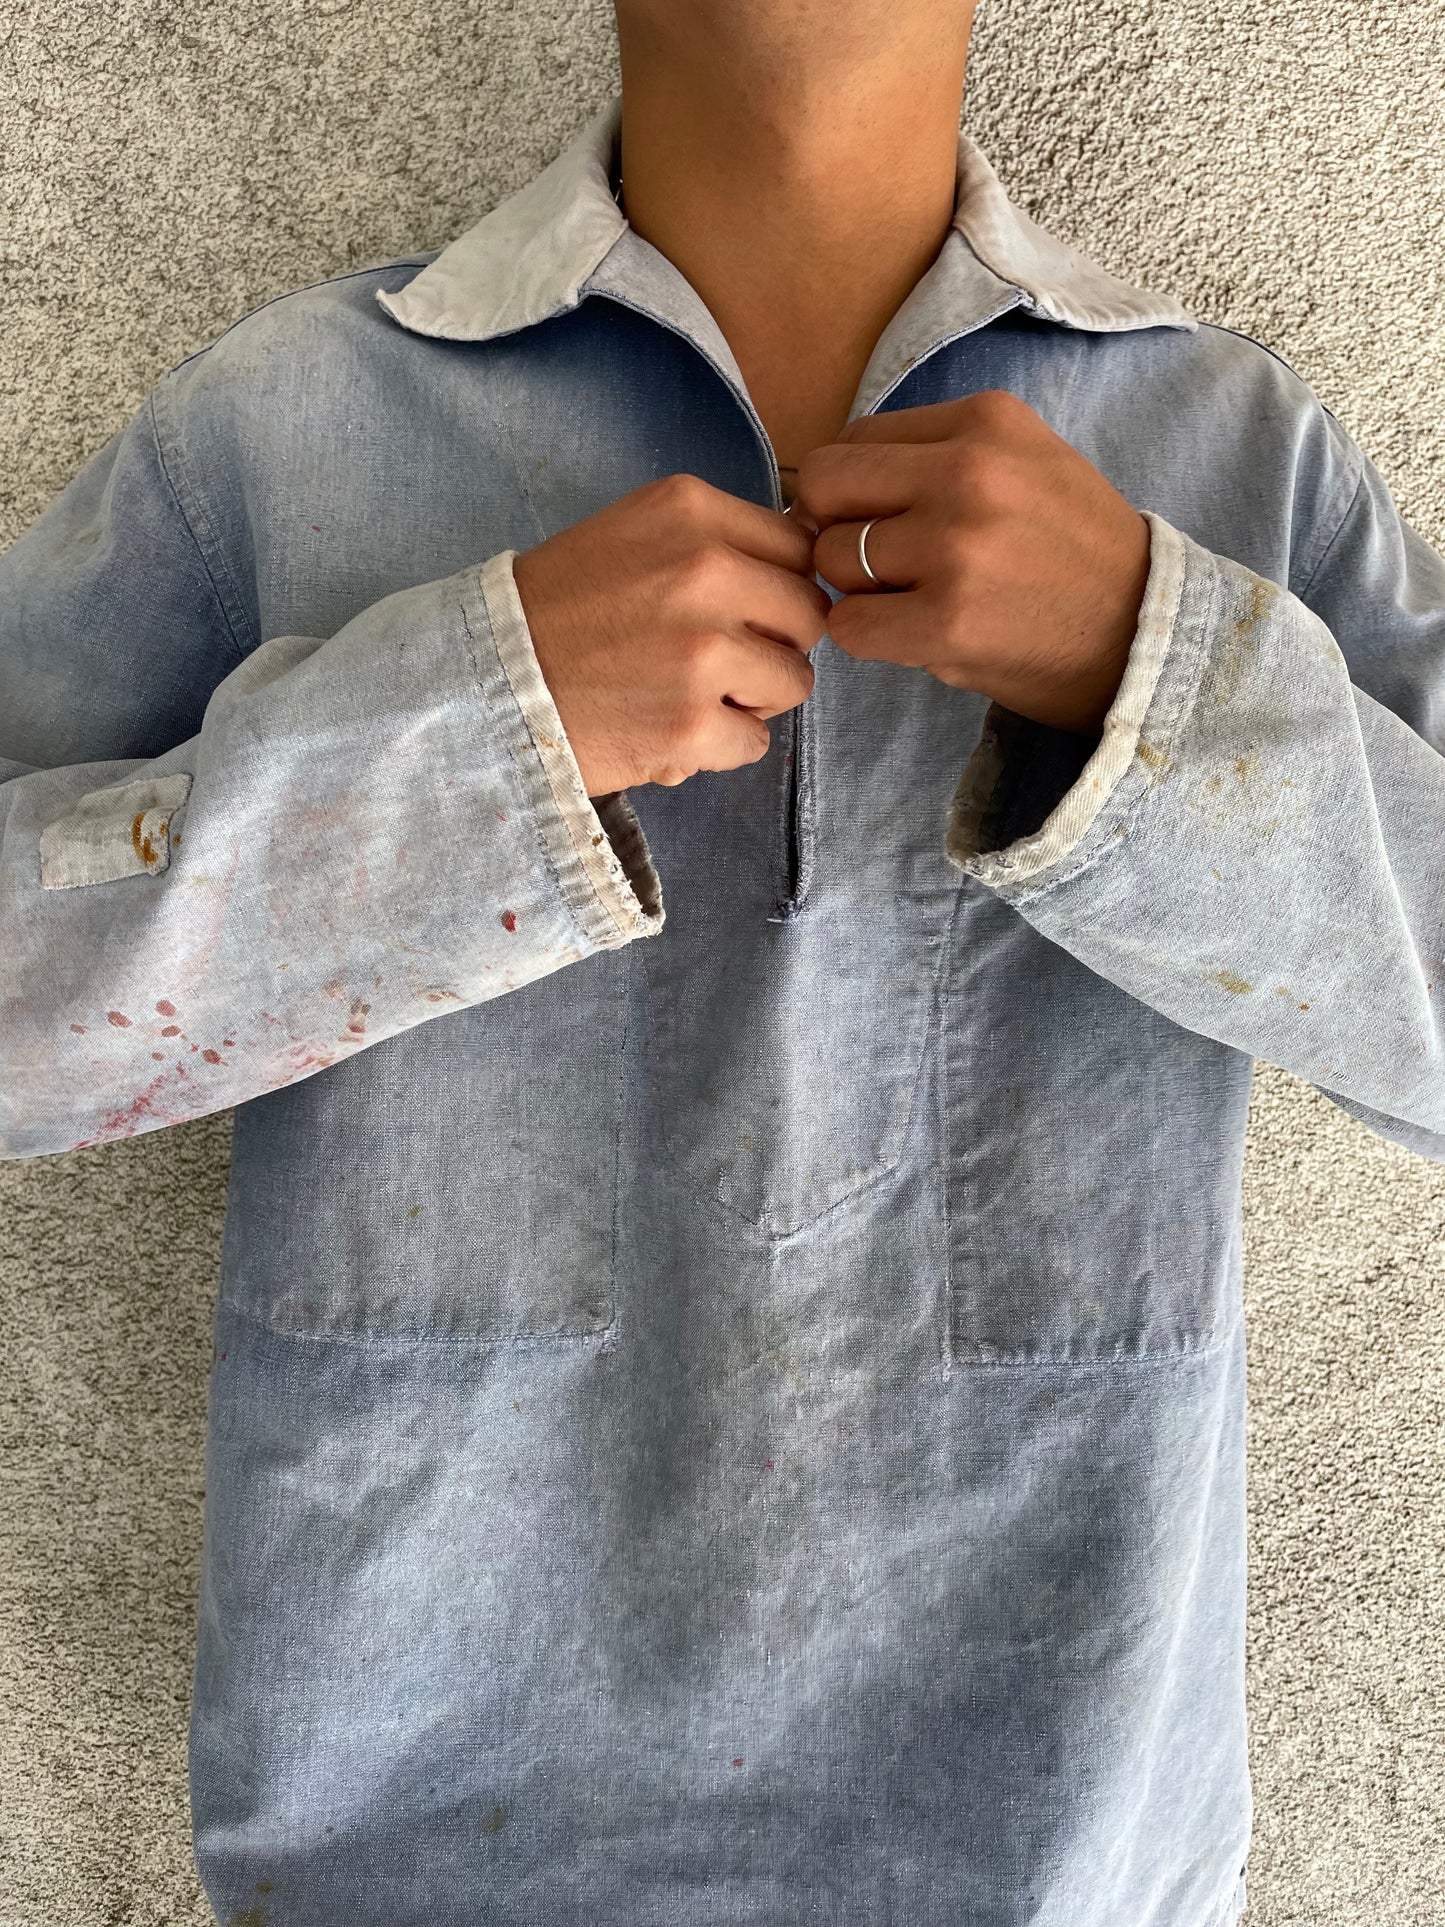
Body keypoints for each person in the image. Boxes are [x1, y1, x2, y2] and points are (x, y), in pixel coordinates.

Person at [3, 0, 1442, 1920]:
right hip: (406, 1856)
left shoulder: (1231, 454)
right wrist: (469, 728)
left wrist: (1158, 667)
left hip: (1054, 1842)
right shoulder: (283, 432)